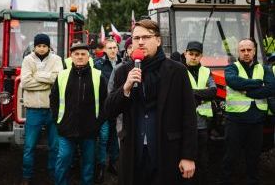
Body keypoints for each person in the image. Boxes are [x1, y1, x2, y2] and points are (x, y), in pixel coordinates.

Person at [105, 19, 197, 185]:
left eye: (146, 37)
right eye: (136, 38)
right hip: (133, 152)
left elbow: (189, 116)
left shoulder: (177, 71)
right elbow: (109, 110)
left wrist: (188, 156)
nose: (140, 42)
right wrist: (125, 88)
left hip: (167, 152)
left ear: (158, 40)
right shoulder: (123, 71)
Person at [219, 38, 275, 185]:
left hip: (257, 121)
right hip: (235, 121)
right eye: (242, 50)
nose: (246, 53)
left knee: (254, 157)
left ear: (254, 51)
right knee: (230, 157)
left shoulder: (265, 69)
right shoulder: (232, 68)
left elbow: (271, 88)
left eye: (249, 50)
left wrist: (248, 92)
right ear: (238, 52)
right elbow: (234, 82)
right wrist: (258, 83)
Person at [50, 43, 107, 185]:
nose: (80, 57)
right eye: (77, 54)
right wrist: (58, 121)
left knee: (88, 164)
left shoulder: (97, 76)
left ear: (88, 56)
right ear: (71, 56)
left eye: (83, 54)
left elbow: (105, 101)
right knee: (63, 160)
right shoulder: (62, 75)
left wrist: (97, 124)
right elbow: (54, 99)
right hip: (66, 129)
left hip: (89, 130)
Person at [20, 33, 63, 184]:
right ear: (35, 46)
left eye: (44, 46)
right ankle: (27, 176)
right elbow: (25, 83)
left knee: (55, 146)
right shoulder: (27, 60)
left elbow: (58, 79)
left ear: (49, 46)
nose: (42, 48)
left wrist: (36, 75)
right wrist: (48, 79)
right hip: (34, 110)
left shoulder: (57, 59)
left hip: (52, 109)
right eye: (39, 46)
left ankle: (53, 175)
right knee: (29, 146)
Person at [182, 41, 217, 185]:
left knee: (203, 158)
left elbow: (213, 91)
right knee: (185, 158)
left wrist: (191, 93)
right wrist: (201, 94)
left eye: (197, 55)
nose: (194, 57)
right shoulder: (179, 71)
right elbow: (179, 93)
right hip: (184, 124)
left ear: (201, 56)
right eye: (191, 54)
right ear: (185, 54)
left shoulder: (206, 71)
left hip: (202, 124)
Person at [94, 38, 122, 183]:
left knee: (116, 138)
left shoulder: (123, 63)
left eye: (114, 47)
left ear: (118, 48)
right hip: (104, 107)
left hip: (118, 108)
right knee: (104, 137)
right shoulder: (98, 65)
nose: (112, 50)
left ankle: (113, 164)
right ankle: (101, 166)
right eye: (109, 48)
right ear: (104, 50)